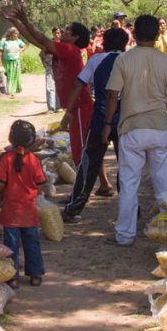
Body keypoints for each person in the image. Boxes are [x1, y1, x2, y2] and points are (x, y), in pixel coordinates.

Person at [103, 15, 167, 246]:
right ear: (158, 35)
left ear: (133, 35)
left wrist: (107, 124)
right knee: (164, 185)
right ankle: (165, 232)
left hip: (132, 129)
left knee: (129, 184)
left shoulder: (124, 60)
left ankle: (125, 235)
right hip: (159, 128)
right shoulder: (166, 61)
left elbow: (113, 95)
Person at [2, 6, 92, 167]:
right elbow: (34, 40)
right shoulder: (63, 49)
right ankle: (103, 184)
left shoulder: (69, 49)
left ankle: (82, 190)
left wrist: (24, 20)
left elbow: (41, 38)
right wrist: (17, 22)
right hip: (76, 106)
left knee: (81, 151)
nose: (63, 33)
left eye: (67, 31)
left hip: (79, 107)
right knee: (86, 148)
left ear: (75, 37)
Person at [61, 27, 129, 221]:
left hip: (100, 119)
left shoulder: (96, 60)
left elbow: (78, 85)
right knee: (126, 165)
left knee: (89, 163)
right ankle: (131, 207)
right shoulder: (129, 60)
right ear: (125, 44)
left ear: (104, 43)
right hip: (125, 119)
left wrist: (68, 111)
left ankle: (74, 207)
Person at [0, 120, 46, 288]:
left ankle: (12, 278)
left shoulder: (5, 159)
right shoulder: (34, 160)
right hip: (29, 211)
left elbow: (0, 184)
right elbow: (40, 184)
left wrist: (2, 193)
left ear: (11, 138)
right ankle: (35, 275)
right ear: (31, 141)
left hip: (11, 211)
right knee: (32, 243)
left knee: (11, 246)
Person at [0, 28, 26, 96]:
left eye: (17, 34)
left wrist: (20, 51)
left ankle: (12, 91)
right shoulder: (4, 41)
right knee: (6, 76)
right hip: (6, 61)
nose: (16, 35)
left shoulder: (18, 41)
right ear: (11, 33)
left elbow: (24, 46)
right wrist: (0, 62)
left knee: (13, 76)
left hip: (15, 61)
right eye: (15, 34)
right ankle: (6, 90)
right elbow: (0, 52)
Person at [41, 27, 62, 113]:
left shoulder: (63, 44)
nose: (57, 35)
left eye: (58, 33)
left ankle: (59, 106)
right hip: (50, 66)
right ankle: (51, 108)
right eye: (55, 33)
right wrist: (45, 65)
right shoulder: (49, 43)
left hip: (60, 67)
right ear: (53, 34)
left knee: (59, 86)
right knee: (50, 87)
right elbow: (41, 54)